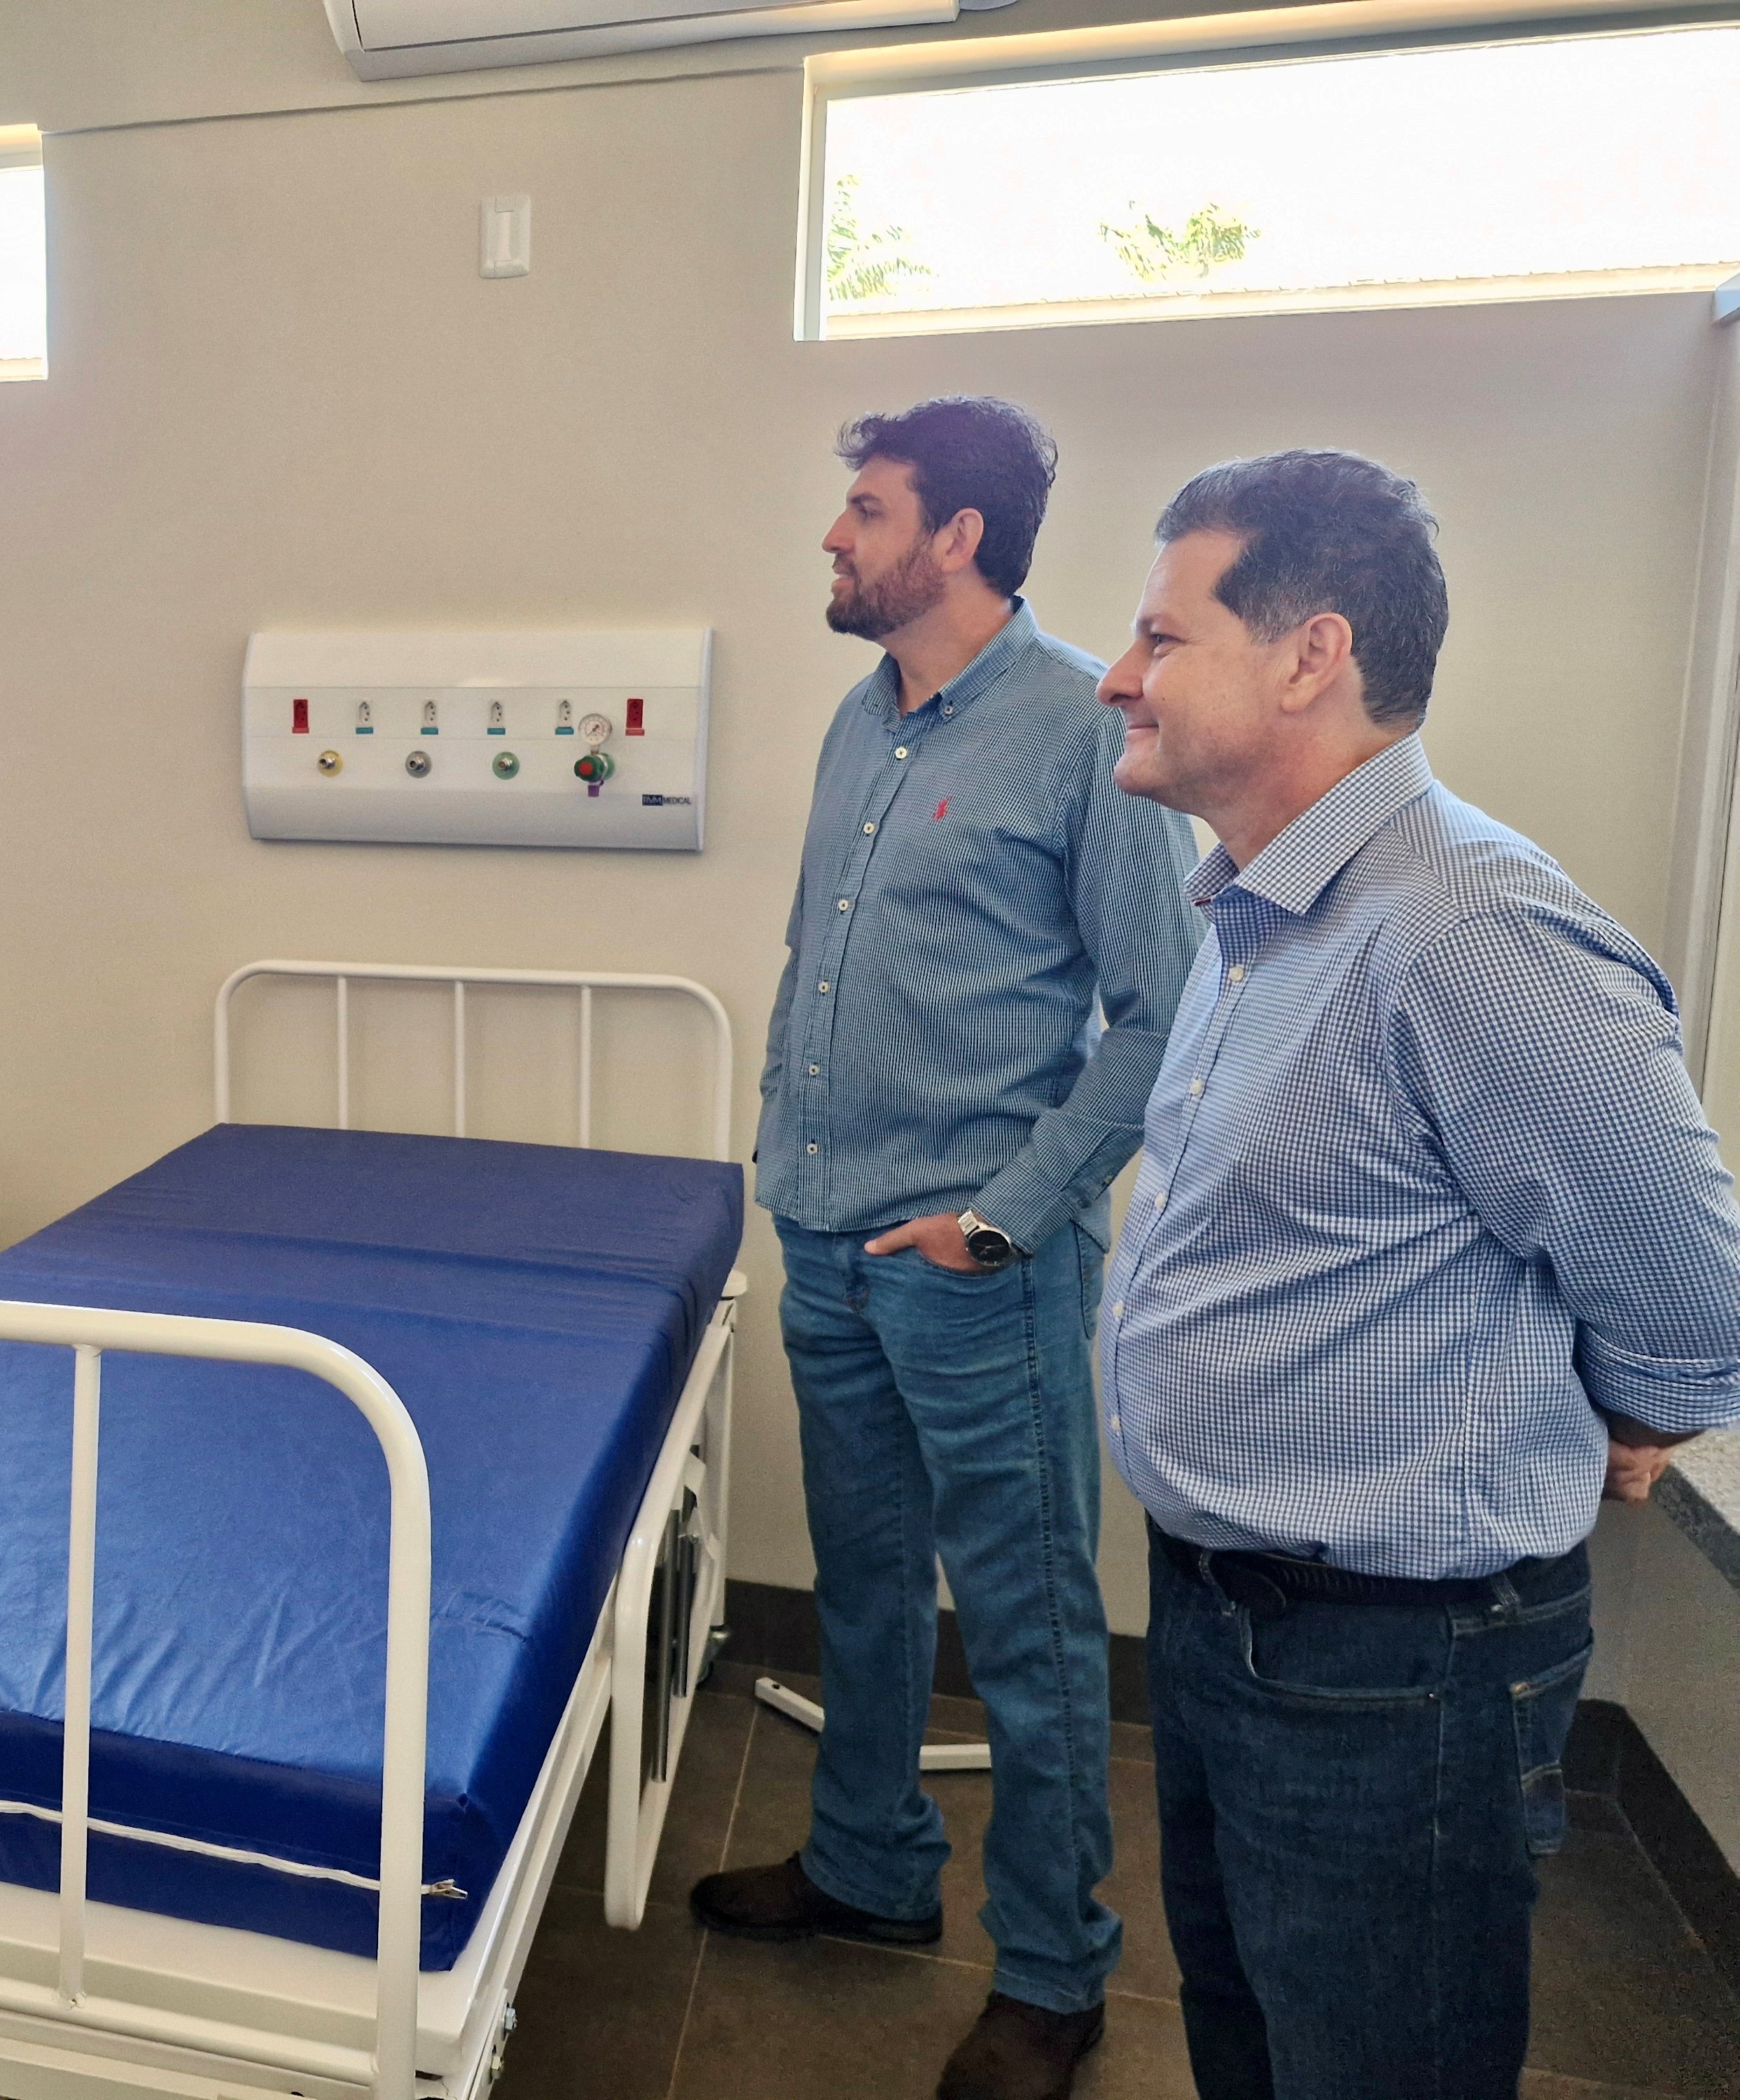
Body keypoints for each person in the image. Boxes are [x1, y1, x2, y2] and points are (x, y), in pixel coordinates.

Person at [1094, 448, 1740, 2099]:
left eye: (1159, 637)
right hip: (1226, 1618)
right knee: (1250, 2046)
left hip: (1391, 1668)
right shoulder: (1259, 914)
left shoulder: (1467, 932)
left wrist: (1612, 1416)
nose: (1114, 677)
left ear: (1307, 656)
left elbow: (1690, 1300)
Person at [694, 397, 1202, 2100]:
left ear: (955, 537)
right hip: (828, 1233)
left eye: (865, 509)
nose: (833, 537)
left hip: (972, 1267)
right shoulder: (863, 719)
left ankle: (1051, 1976)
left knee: (1030, 1629)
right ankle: (866, 1866)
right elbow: (817, 960)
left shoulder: (1074, 727)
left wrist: (1002, 1218)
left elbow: (1160, 1017)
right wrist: (787, 1156)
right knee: (859, 1587)